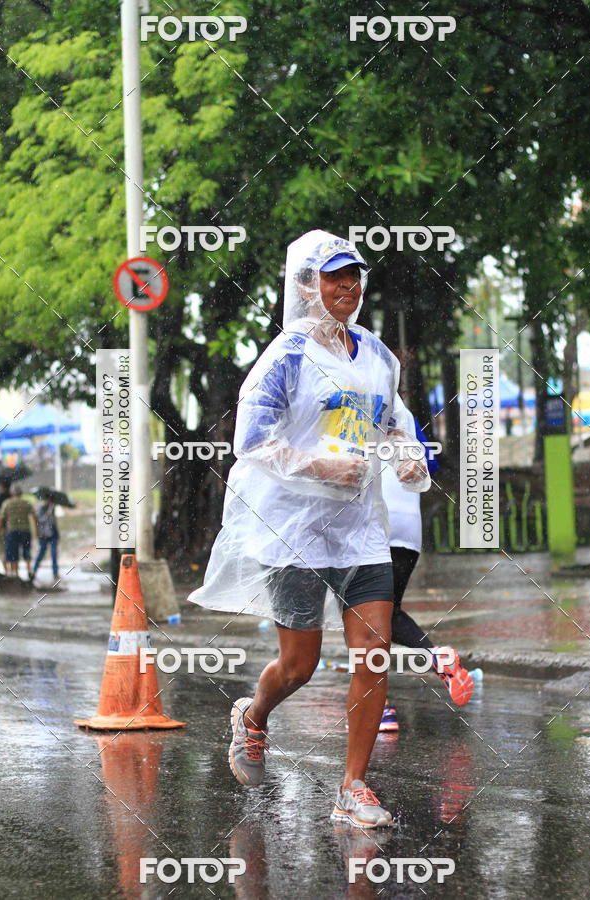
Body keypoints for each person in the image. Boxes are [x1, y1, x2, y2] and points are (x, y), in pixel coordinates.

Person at [189, 229, 431, 828]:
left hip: (358, 528)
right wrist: (315, 463)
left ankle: (353, 786)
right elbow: (249, 441)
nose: (347, 287)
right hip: (292, 529)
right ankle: (253, 715)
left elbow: (392, 422)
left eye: (354, 277)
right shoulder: (286, 356)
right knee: (298, 665)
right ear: (306, 287)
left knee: (372, 656)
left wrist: (407, 453)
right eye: (334, 277)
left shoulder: (376, 355)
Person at [378, 407, 474, 733]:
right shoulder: (405, 414)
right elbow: (428, 467)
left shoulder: (349, 401)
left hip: (369, 525)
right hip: (407, 528)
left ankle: (378, 708)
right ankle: (436, 658)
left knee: (361, 616)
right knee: (386, 612)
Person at [0, 484, 36, 579]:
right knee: (26, 551)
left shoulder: (7, 503)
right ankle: (29, 570)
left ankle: (15, 574)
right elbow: (34, 516)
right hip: (25, 530)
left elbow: (1, 518)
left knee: (13, 552)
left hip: (12, 531)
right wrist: (37, 529)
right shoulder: (26, 503)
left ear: (11, 493)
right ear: (21, 493)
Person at [32, 498, 59, 582]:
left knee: (54, 554)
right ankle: (34, 571)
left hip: (52, 534)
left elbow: (53, 522)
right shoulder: (40, 508)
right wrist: (46, 515)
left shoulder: (52, 508)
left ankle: (55, 573)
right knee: (41, 553)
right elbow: (38, 520)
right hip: (43, 535)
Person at [0, 480, 11, 573]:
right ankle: (11, 572)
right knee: (10, 549)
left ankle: (6, 571)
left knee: (2, 549)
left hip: (1, 526)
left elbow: (0, 516)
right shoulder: (11, 497)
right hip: (11, 527)